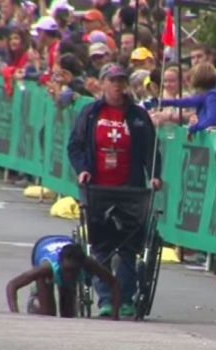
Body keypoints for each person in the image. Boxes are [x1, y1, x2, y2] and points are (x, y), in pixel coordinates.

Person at [67, 62, 162, 317]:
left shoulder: (138, 116)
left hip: (130, 189)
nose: (118, 85)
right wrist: (82, 169)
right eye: (113, 80)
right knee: (102, 246)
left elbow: (152, 150)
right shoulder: (90, 113)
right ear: (102, 83)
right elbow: (74, 147)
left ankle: (126, 298)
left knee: (129, 246)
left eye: (121, 80)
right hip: (98, 188)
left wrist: (155, 175)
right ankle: (107, 299)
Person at [6, 235, 121, 319]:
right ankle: (36, 298)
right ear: (60, 263)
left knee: (68, 315)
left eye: (74, 271)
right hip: (42, 246)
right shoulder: (46, 268)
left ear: (81, 266)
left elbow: (114, 284)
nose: (69, 275)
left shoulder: (88, 263)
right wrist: (15, 314)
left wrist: (115, 315)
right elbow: (12, 285)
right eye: (67, 270)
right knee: (47, 314)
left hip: (66, 244)